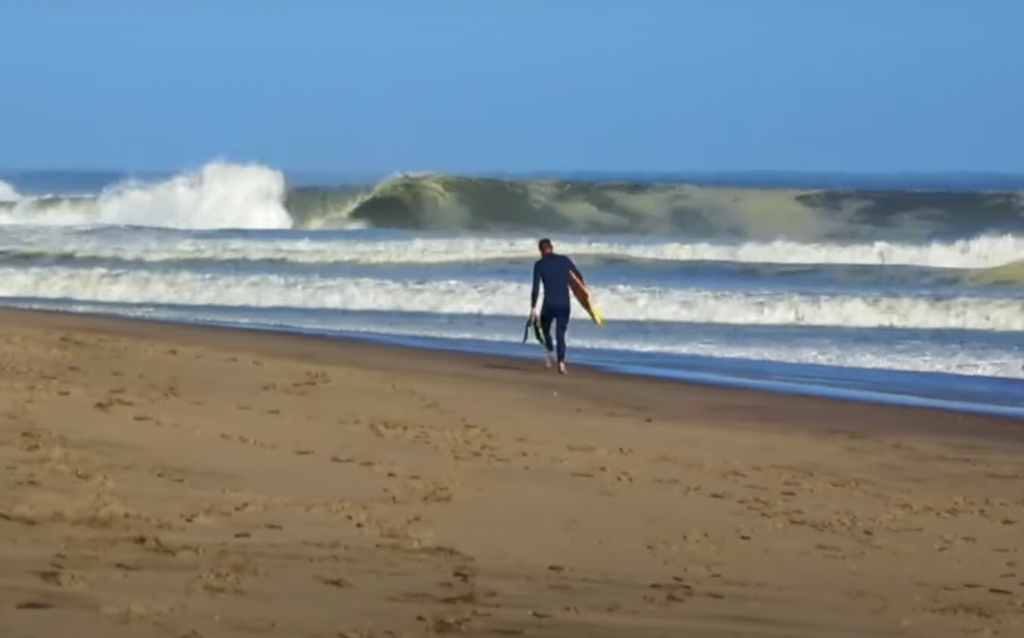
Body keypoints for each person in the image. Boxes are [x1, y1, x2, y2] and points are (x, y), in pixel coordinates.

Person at [529, 238, 584, 374]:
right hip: (564, 303)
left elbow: (535, 286)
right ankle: (561, 364)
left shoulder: (539, 264)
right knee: (561, 334)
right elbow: (578, 277)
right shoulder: (565, 260)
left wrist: (533, 306)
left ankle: (550, 352)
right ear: (552, 247)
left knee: (545, 330)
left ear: (540, 250)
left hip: (549, 304)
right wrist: (584, 294)